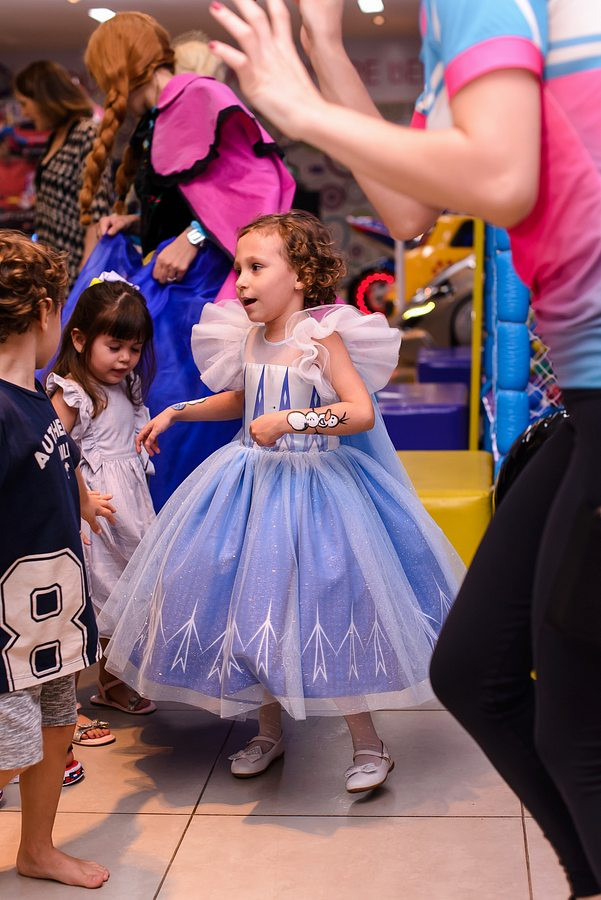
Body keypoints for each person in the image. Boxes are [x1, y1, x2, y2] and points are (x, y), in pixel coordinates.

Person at [208, 0, 601, 895]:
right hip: (582, 395)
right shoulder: (443, 23)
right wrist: (327, 48)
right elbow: (407, 208)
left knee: (573, 723)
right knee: (474, 674)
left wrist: (301, 109)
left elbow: (502, 178)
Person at [97, 211, 464, 791]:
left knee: (327, 607)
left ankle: (368, 743)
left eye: (256, 267)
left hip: (315, 491)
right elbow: (241, 400)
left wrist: (292, 419)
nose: (241, 281)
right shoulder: (248, 337)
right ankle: (268, 732)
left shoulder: (321, 337)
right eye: (240, 267)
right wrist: (177, 411)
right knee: (256, 609)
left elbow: (359, 411)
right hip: (250, 489)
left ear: (299, 276)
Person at [66, 11, 295, 509]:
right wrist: (136, 222)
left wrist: (193, 236)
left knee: (177, 410)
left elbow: (258, 190)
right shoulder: (156, 117)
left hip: (200, 295)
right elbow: (191, 195)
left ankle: (185, 526)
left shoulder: (198, 96)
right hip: (175, 288)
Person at [0, 230, 113, 888]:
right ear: (46, 310)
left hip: (50, 617)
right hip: (8, 628)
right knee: (9, 748)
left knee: (55, 726)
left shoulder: (36, 397)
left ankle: (37, 849)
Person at [47, 273, 158, 747]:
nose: (125, 358)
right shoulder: (73, 391)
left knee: (123, 599)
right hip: (90, 515)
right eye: (114, 346)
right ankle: (63, 710)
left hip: (127, 511)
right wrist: (82, 502)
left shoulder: (127, 385)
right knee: (85, 607)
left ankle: (111, 685)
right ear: (79, 339)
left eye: (134, 348)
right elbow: (55, 451)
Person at [13, 61, 112, 289]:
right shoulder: (56, 136)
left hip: (74, 270)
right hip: (53, 270)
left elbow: (96, 214)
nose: (24, 112)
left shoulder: (86, 133)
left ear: (45, 99)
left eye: (25, 104)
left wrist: (85, 282)